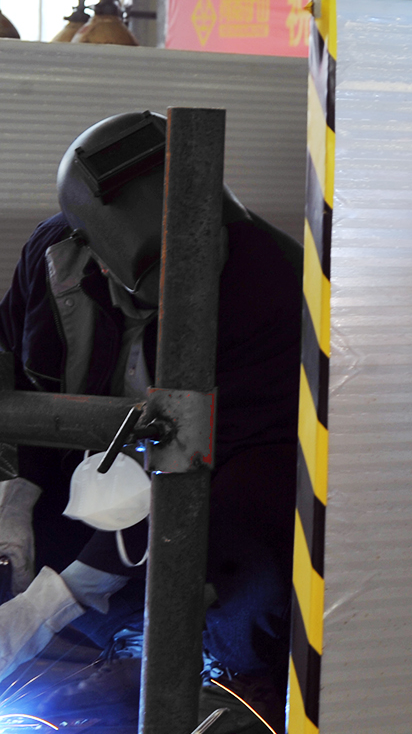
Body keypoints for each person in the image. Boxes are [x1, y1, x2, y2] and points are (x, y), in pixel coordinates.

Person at [0, 111, 302, 720]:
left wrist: (60, 598)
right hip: (90, 480)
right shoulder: (51, 256)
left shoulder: (271, 279)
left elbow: (210, 460)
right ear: (94, 251)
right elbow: (17, 365)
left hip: (216, 490)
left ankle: (239, 692)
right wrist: (18, 492)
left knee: (252, 584)